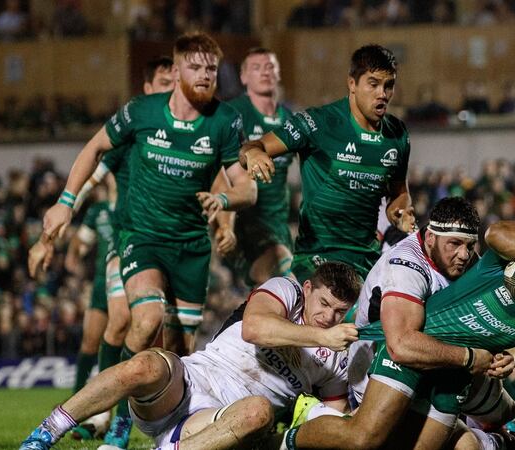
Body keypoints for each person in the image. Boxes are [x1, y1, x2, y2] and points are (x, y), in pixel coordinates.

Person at [28, 32, 256, 450]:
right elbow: (95, 149)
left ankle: (167, 431)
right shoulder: (141, 112)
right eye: (195, 67)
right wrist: (64, 204)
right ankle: (114, 423)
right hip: (140, 238)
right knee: (143, 320)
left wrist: (225, 205)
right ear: (177, 69)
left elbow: (245, 188)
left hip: (191, 249)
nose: (205, 75)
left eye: (211, 68)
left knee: (180, 354)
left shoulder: (225, 120)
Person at [285, 198, 515, 450]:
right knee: (364, 438)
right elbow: (496, 233)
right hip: (419, 350)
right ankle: (290, 438)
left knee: (505, 412)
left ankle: (496, 441)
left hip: (459, 372)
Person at [18, 262, 362, 450]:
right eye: (324, 303)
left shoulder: (337, 360)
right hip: (188, 381)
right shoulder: (286, 291)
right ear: (307, 289)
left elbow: (330, 419)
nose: (329, 316)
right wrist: (322, 337)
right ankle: (45, 434)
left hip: (220, 422)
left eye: (339, 311)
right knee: (145, 364)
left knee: (258, 411)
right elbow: (254, 327)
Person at [238, 44, 416, 282]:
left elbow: (400, 192)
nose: (382, 94)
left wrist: (400, 211)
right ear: (352, 84)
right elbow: (251, 147)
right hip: (317, 257)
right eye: (373, 84)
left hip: (367, 261)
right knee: (330, 300)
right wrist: (254, 154)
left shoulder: (397, 134)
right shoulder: (318, 123)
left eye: (388, 85)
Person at [223, 47, 295, 285]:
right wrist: (223, 224)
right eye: (256, 68)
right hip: (247, 222)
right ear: (243, 77)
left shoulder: (290, 120)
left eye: (270, 66)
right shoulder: (233, 114)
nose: (264, 72)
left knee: (275, 289)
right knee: (284, 281)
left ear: (279, 73)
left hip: (279, 223)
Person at [62, 182, 116, 440]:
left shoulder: (135, 202)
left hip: (128, 280)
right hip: (101, 284)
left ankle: (107, 417)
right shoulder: (98, 211)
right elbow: (81, 241)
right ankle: (75, 408)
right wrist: (73, 253)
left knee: (116, 345)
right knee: (90, 343)